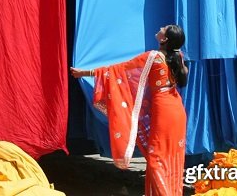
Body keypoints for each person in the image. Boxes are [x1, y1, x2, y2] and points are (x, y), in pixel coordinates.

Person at [70, 24, 188, 196]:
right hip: (177, 110)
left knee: (156, 159)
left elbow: (120, 70)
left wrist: (84, 73)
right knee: (171, 157)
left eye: (165, 28)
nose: (161, 27)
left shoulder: (153, 57)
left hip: (164, 111)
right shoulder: (179, 56)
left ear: (164, 39)